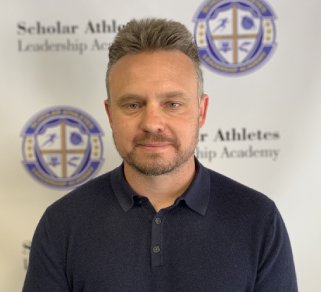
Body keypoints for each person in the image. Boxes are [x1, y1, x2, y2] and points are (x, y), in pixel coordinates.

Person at [23, 18, 298, 291]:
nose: (152, 122)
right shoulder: (61, 224)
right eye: (133, 104)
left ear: (201, 111)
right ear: (109, 114)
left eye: (173, 104)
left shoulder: (258, 220)